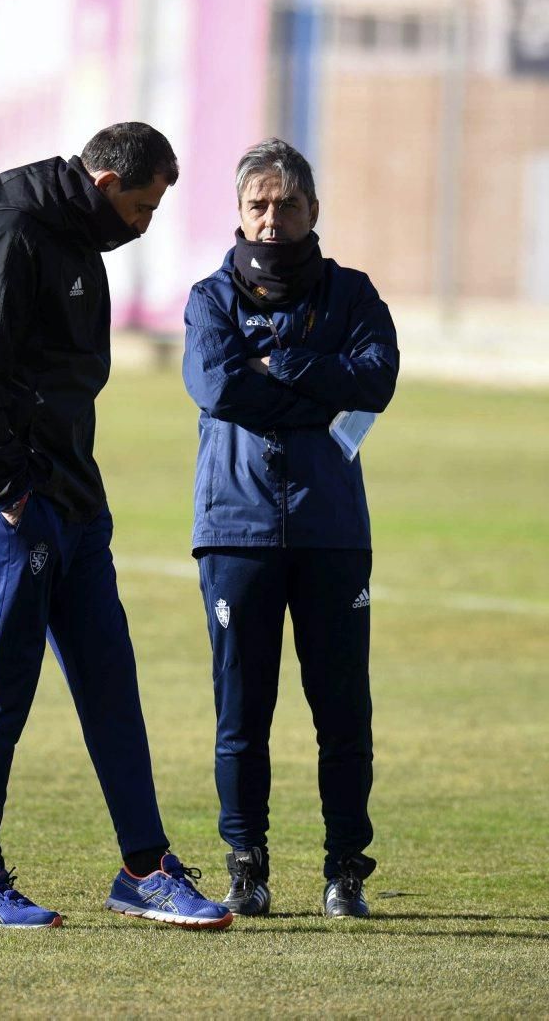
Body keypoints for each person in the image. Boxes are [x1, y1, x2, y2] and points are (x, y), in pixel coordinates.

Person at [0, 122, 232, 930]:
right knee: (4, 688)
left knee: (111, 682)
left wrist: (77, 498)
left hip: (72, 501)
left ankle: (144, 867)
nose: (145, 223)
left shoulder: (79, 249)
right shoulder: (14, 239)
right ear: (105, 186)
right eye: (141, 206)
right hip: (8, 503)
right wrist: (8, 492)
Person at [182, 138, 399, 919]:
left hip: (333, 530)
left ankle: (346, 870)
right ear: (240, 213)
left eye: (288, 205)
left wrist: (282, 367)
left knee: (343, 713)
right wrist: (317, 376)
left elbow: (376, 381)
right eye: (258, 206)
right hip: (235, 528)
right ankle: (246, 865)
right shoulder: (210, 299)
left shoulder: (354, 295)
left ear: (314, 211)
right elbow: (217, 385)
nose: (272, 220)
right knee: (243, 714)